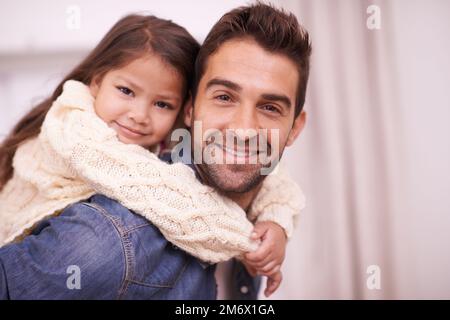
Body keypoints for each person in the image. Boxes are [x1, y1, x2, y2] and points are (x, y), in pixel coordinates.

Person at [0, 6, 308, 300]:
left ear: (295, 128)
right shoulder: (109, 237)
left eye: (270, 107)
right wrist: (246, 240)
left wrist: (277, 221)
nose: (243, 130)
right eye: (224, 97)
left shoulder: (240, 184)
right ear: (192, 109)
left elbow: (278, 182)